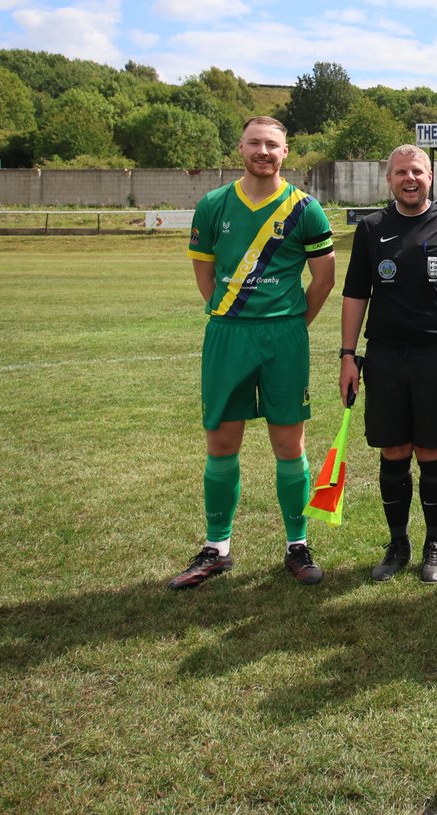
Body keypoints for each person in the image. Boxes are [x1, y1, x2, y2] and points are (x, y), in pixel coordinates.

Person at [170, 116, 336, 590]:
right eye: (255, 143)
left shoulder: (306, 209)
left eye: (273, 145)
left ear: (287, 152)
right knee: (221, 443)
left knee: (290, 445)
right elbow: (205, 275)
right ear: (239, 147)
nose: (264, 152)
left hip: (284, 338)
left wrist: (291, 325)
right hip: (228, 335)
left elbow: (322, 280)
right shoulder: (212, 205)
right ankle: (217, 548)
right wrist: (227, 311)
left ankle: (297, 545)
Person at [340, 144, 437, 584]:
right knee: (393, 451)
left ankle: (434, 543)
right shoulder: (370, 229)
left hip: (436, 356)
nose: (410, 179)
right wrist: (348, 356)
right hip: (383, 356)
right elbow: (355, 296)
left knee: (432, 450)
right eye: (401, 172)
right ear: (389, 179)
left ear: (431, 178)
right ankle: (398, 542)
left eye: (418, 171)